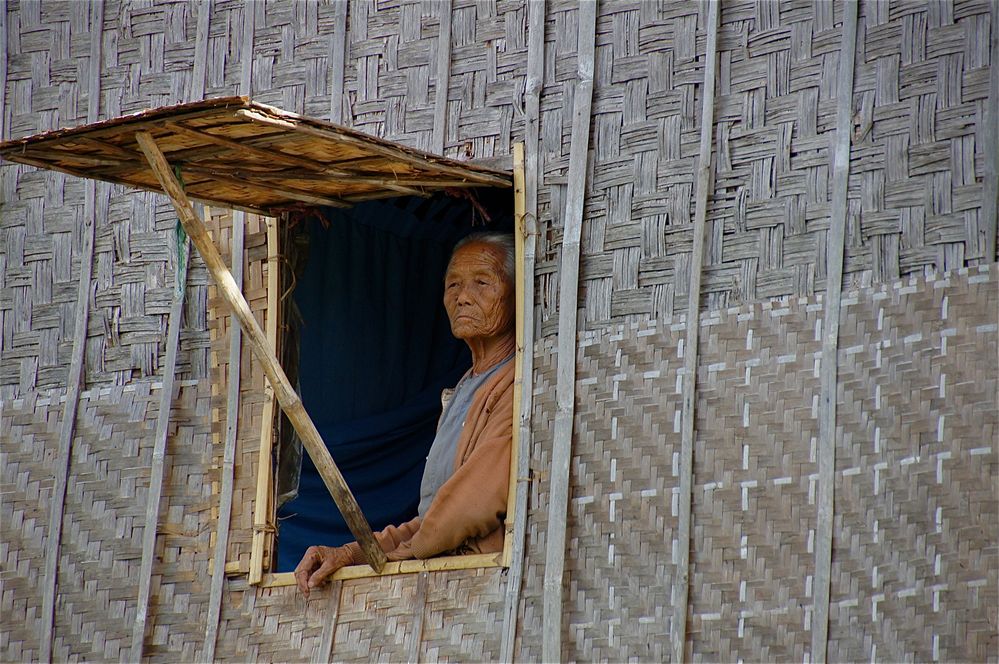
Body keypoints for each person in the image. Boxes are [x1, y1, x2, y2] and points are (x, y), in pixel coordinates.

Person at [294, 232, 516, 596]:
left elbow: (468, 508)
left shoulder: (515, 382)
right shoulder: (465, 387)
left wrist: (395, 559)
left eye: (482, 283)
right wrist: (352, 554)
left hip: (482, 587)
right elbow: (429, 522)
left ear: (514, 292)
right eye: (453, 284)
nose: (462, 297)